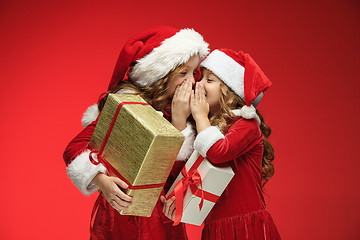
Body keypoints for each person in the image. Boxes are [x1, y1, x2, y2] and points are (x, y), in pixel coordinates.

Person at [63, 25, 209, 239]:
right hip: (119, 217)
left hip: (161, 221)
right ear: (160, 75)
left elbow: (178, 174)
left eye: (193, 72)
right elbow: (73, 149)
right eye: (183, 72)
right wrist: (102, 181)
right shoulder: (126, 107)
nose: (192, 81)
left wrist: (179, 121)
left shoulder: (186, 114)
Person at [162, 49, 281, 239]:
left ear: (231, 92)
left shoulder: (247, 124)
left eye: (209, 80)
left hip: (246, 228)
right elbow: (185, 171)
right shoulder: (206, 129)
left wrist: (200, 115)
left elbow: (218, 152)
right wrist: (180, 121)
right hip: (215, 230)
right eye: (201, 78)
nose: (198, 85)